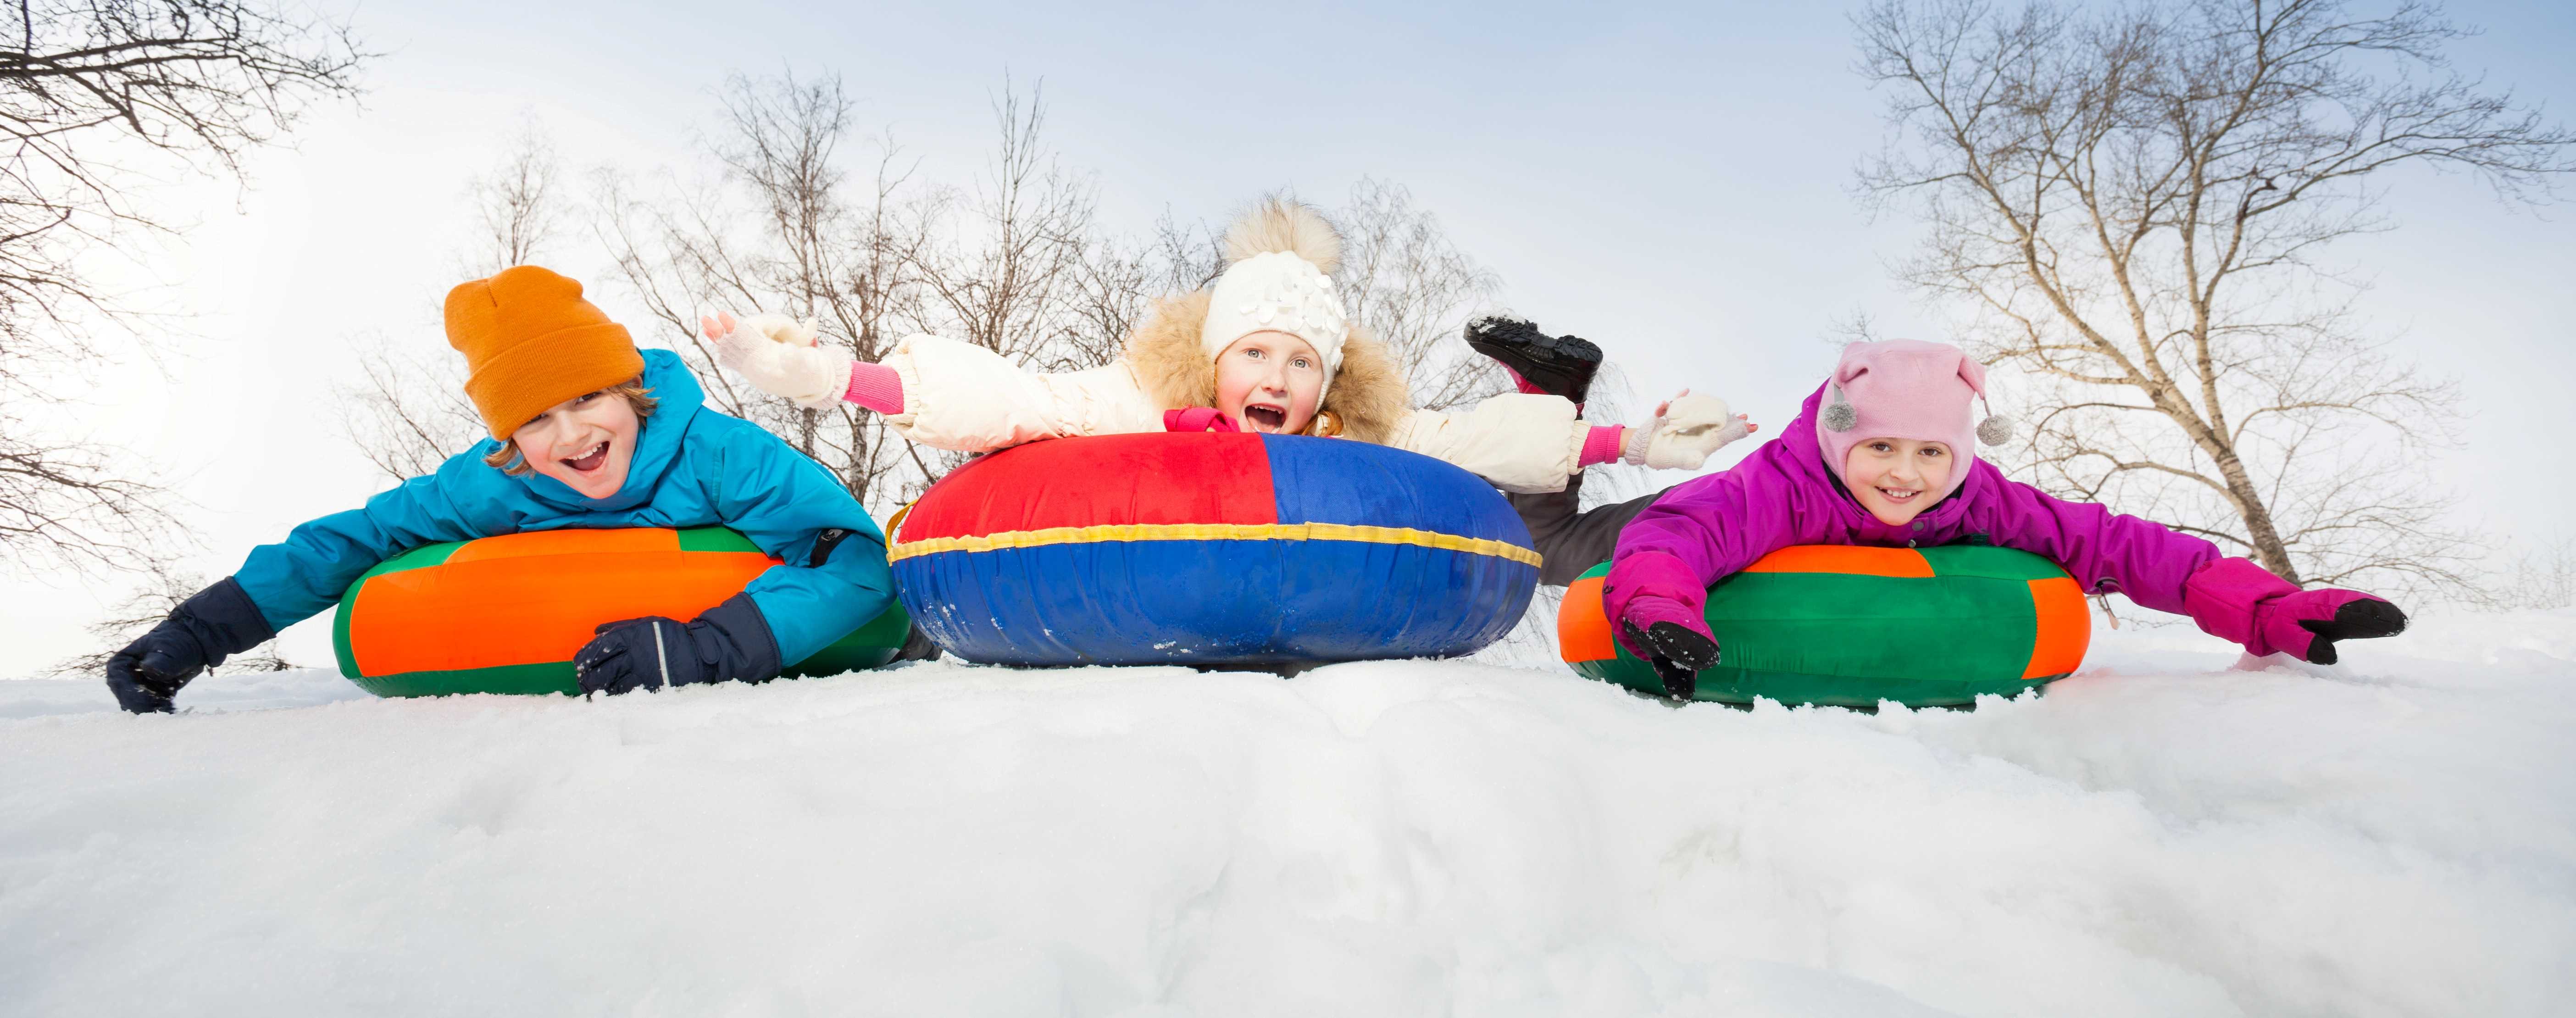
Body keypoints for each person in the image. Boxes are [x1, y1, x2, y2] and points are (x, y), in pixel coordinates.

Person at [103, 266, 899, 713]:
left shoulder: (721, 455)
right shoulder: (494, 486)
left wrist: (703, 646)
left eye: (588, 399)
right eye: (534, 419)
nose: (571, 437)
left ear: (631, 392)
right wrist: (198, 633)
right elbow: (353, 541)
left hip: (815, 641)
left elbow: (853, 560)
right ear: (507, 440)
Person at [708, 197, 1749, 500]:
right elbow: (1020, 398)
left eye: (1300, 363)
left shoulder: (1357, 427)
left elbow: (1474, 438)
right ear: (1214, 363)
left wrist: (1632, 442)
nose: (1278, 380)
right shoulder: (1135, 399)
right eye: (1257, 356)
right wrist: (837, 376)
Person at [1587, 339, 2407, 695]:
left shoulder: (1979, 498)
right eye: (1881, 449)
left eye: (1932, 453)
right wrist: (1661, 608)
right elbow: (1679, 532)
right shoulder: (1781, 483)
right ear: (1840, 441)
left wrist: (2263, 607)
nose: (1906, 475)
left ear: (1962, 454)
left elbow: (2114, 544)